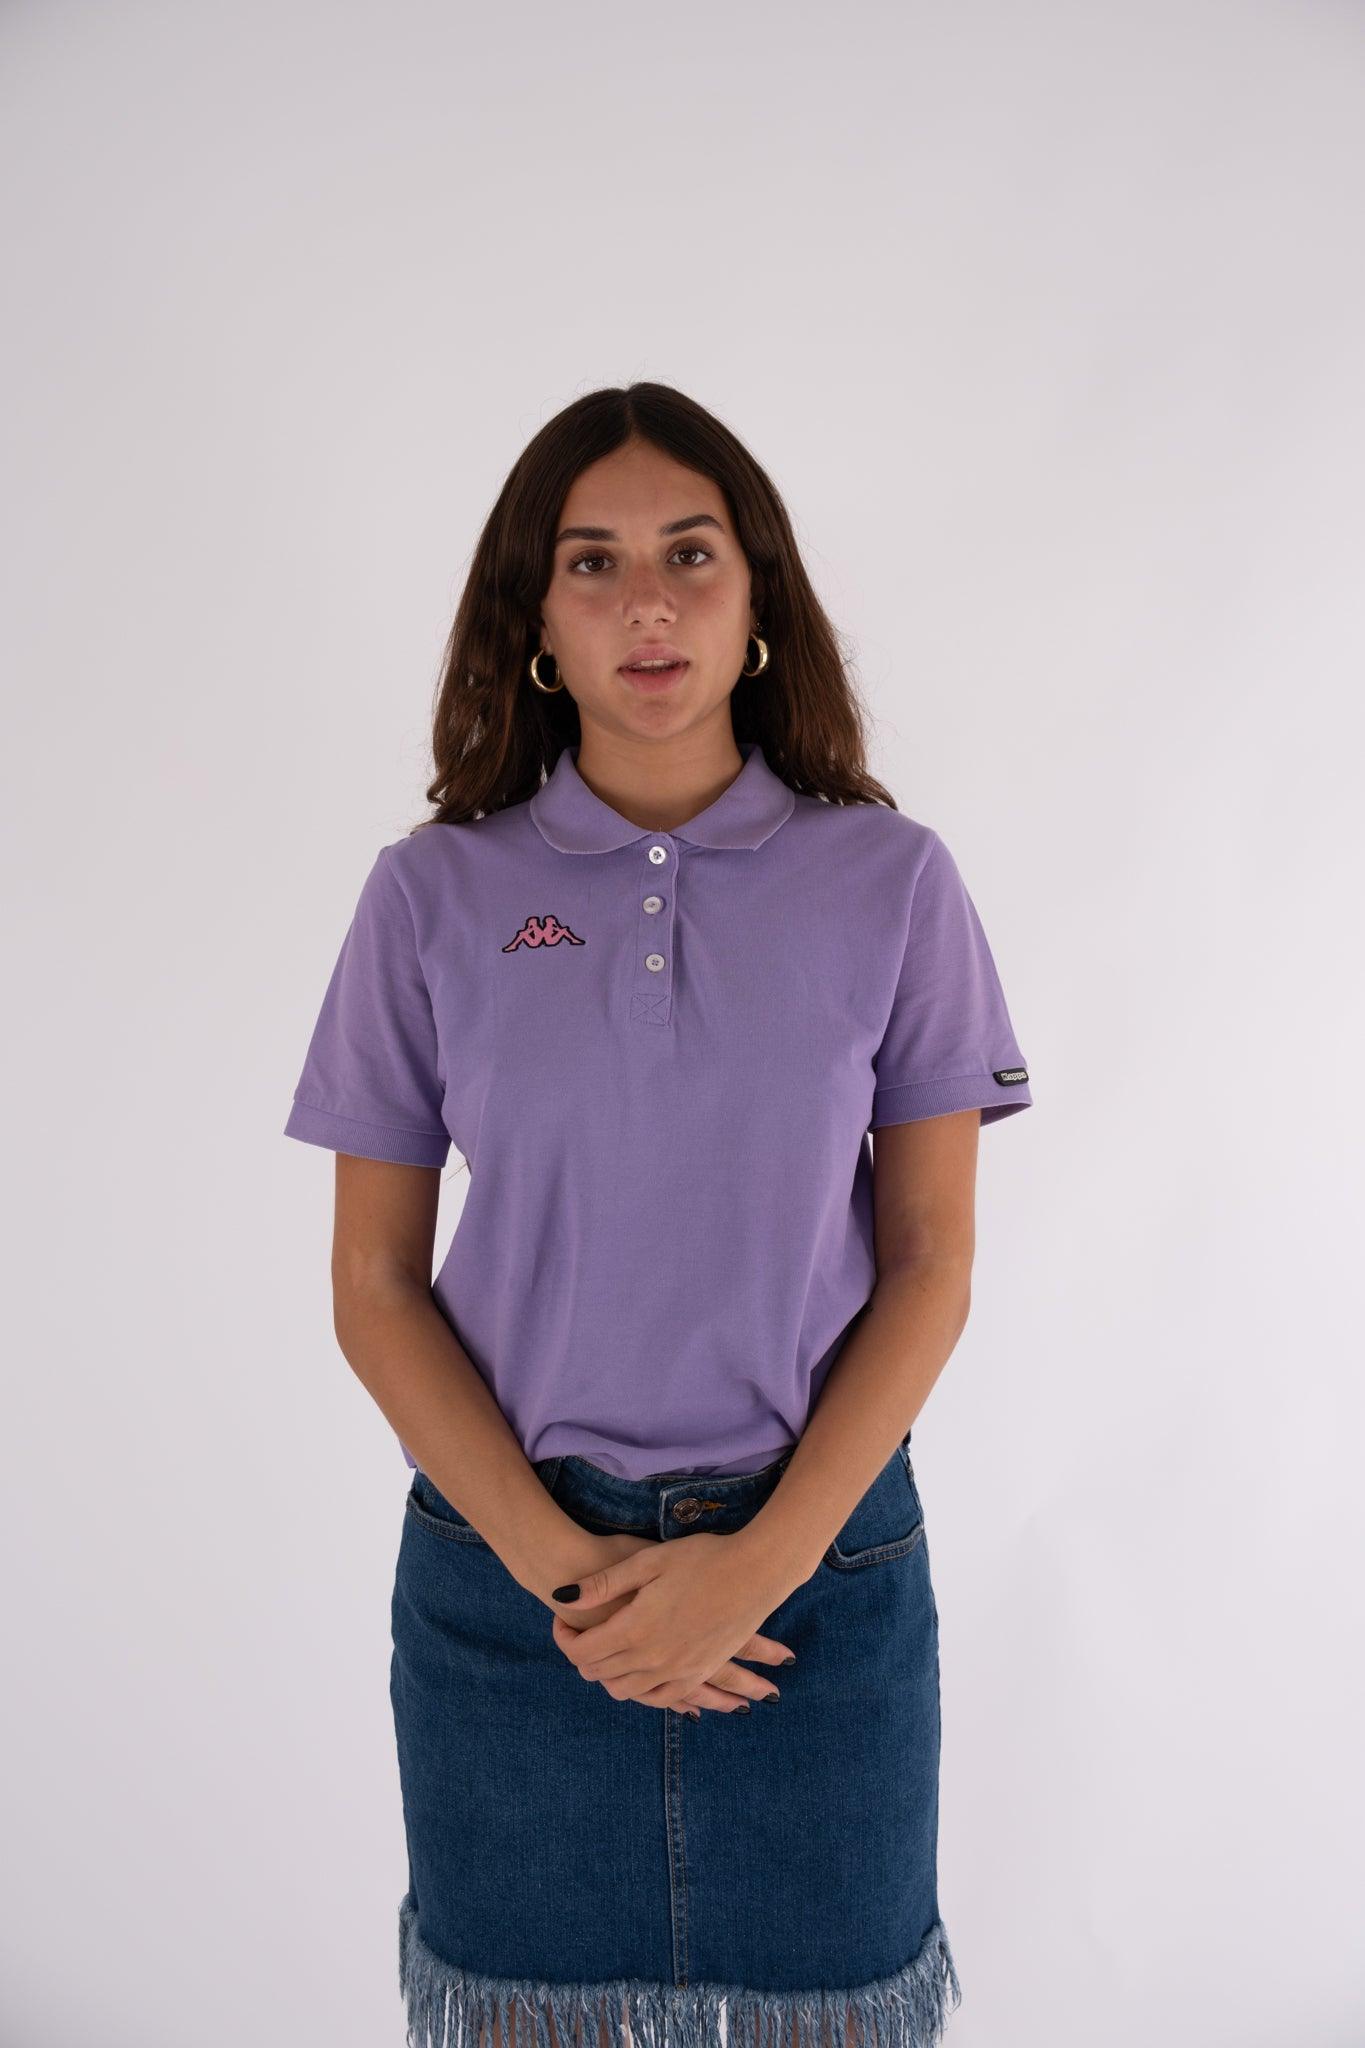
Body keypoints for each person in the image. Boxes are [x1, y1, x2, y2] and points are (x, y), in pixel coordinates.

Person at [282, 382, 1033, 2048]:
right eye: (593, 562)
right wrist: (578, 1588)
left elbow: (930, 1262)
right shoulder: (430, 895)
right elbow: (372, 1286)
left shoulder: (892, 882)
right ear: (535, 623)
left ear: (758, 598)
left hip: (820, 1584)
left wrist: (756, 1569)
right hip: (509, 1592)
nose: (646, 603)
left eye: (690, 554)